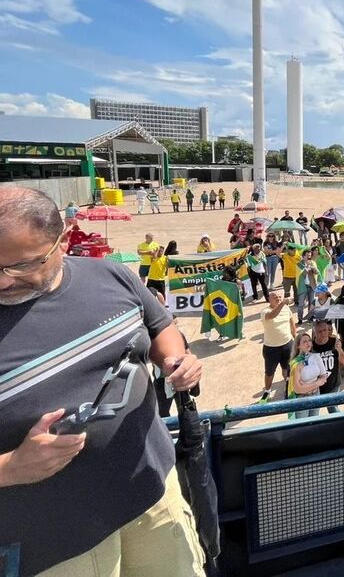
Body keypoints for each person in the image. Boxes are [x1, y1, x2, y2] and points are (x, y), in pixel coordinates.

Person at [0, 187, 204, 576]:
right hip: (52, 545)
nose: (4, 282)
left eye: (22, 266)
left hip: (154, 500)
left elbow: (160, 324)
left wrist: (176, 359)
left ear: (63, 240)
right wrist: (11, 467)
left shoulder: (110, 274)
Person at [259, 292, 297, 403]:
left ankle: (288, 388)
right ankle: (267, 391)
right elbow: (272, 315)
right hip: (271, 348)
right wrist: (283, 303)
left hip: (287, 345)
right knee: (269, 372)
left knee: (287, 369)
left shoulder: (286, 309)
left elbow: (292, 324)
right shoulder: (265, 311)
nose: (278, 298)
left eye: (280, 297)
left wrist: (295, 339)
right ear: (269, 299)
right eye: (275, 297)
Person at [287, 332, 328, 417]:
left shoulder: (316, 357)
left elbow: (324, 377)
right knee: (303, 426)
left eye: (309, 340)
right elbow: (298, 389)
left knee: (314, 423)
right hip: (302, 399)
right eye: (304, 341)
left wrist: (306, 386)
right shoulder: (296, 363)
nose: (308, 343)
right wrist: (316, 383)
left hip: (316, 394)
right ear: (298, 346)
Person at [309, 319, 344, 414]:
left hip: (333, 384)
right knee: (313, 413)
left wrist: (340, 350)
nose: (323, 333)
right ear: (315, 332)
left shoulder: (335, 342)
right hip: (316, 387)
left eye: (325, 330)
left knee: (333, 409)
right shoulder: (311, 346)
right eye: (320, 331)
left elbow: (343, 361)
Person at [295, 249, 320, 322]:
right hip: (302, 287)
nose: (309, 257)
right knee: (301, 304)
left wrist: (314, 268)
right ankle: (300, 318)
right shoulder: (299, 264)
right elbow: (302, 274)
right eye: (307, 256)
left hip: (311, 286)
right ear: (303, 256)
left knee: (311, 303)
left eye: (310, 256)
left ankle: (310, 317)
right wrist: (307, 267)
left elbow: (317, 272)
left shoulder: (313, 263)